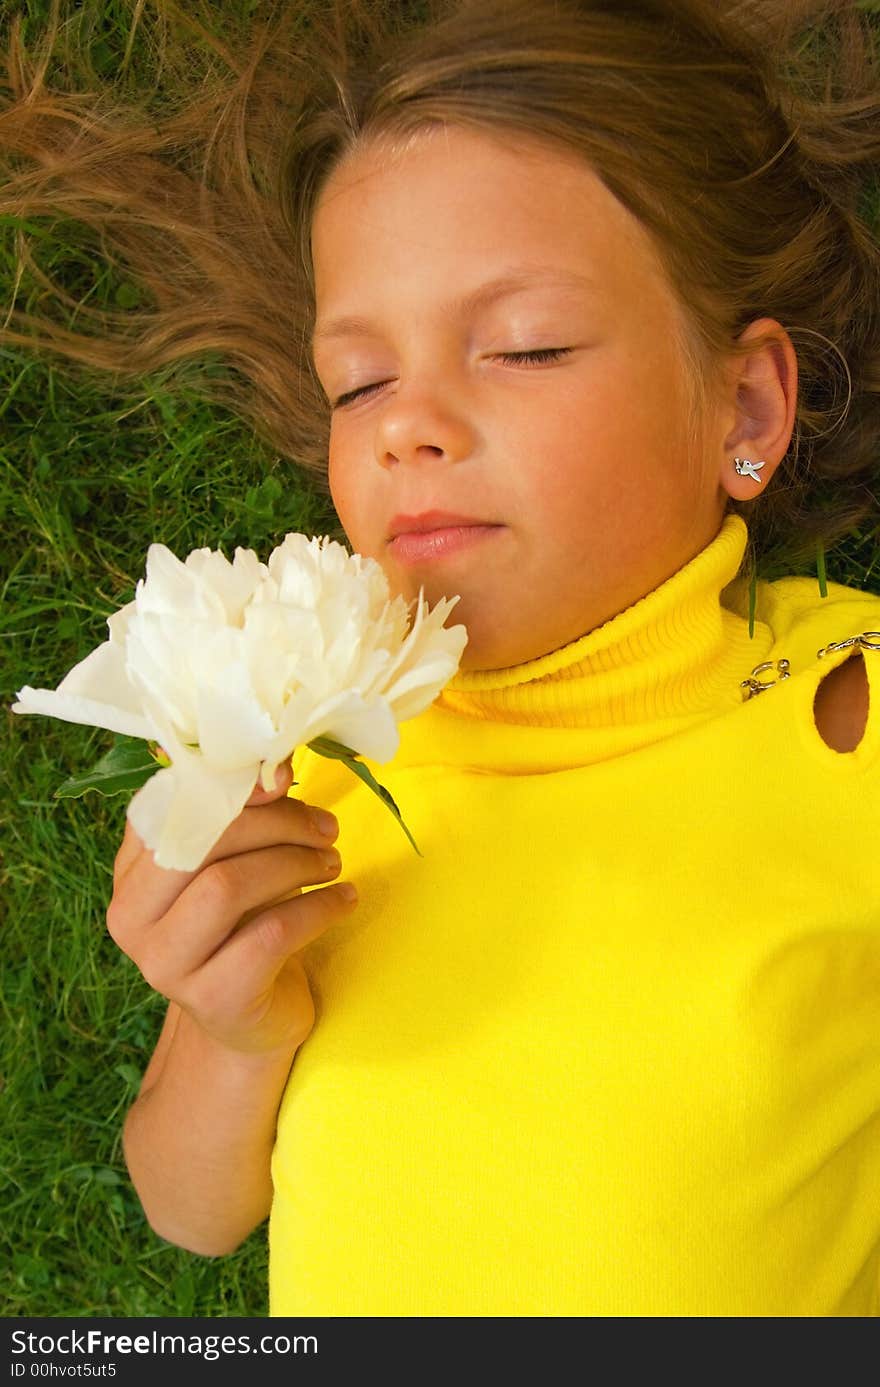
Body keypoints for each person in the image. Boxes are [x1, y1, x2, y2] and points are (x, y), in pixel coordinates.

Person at [2, 0, 880, 1316]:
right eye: (357, 382)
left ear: (743, 407)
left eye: (525, 347)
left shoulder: (851, 721)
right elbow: (191, 1212)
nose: (408, 422)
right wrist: (232, 1023)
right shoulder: (306, 772)